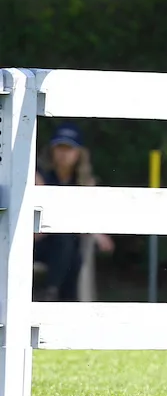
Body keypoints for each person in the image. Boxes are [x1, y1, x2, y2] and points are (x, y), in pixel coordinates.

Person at [33, 123, 114, 301]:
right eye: (59, 147)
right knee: (66, 240)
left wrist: (96, 231)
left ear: (78, 153)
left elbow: (90, 216)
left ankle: (53, 295)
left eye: (68, 148)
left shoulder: (84, 183)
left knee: (70, 245)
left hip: (66, 245)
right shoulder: (38, 177)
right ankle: (53, 295)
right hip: (37, 243)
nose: (63, 153)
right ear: (52, 150)